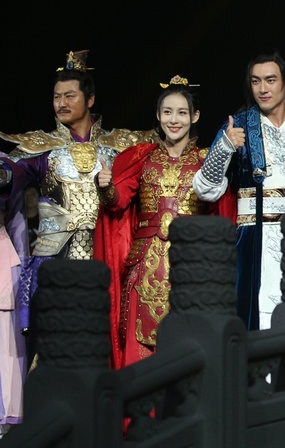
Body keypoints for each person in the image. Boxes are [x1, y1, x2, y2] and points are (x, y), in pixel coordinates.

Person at [0, 51, 155, 357]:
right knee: (57, 349)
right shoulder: (43, 149)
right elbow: (12, 173)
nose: (61, 103)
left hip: (107, 258)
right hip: (56, 263)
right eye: (56, 97)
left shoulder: (118, 146)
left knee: (103, 346)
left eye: (70, 96)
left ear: (90, 99)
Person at [94, 76, 235, 368]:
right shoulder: (141, 159)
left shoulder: (206, 162)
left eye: (182, 113)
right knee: (139, 354)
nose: (174, 120)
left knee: (189, 345)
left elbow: (219, 210)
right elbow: (117, 202)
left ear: (195, 116)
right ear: (158, 116)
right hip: (145, 267)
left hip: (191, 268)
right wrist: (105, 187)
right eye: (167, 112)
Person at [192, 52, 285, 331]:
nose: (262, 89)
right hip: (256, 240)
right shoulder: (237, 127)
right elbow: (205, 189)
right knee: (259, 322)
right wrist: (225, 146)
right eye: (255, 81)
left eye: (270, 80)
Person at [0, 154, 27, 432]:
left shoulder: (7, 167)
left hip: (2, 256)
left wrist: (23, 278)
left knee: (5, 342)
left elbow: (18, 225)